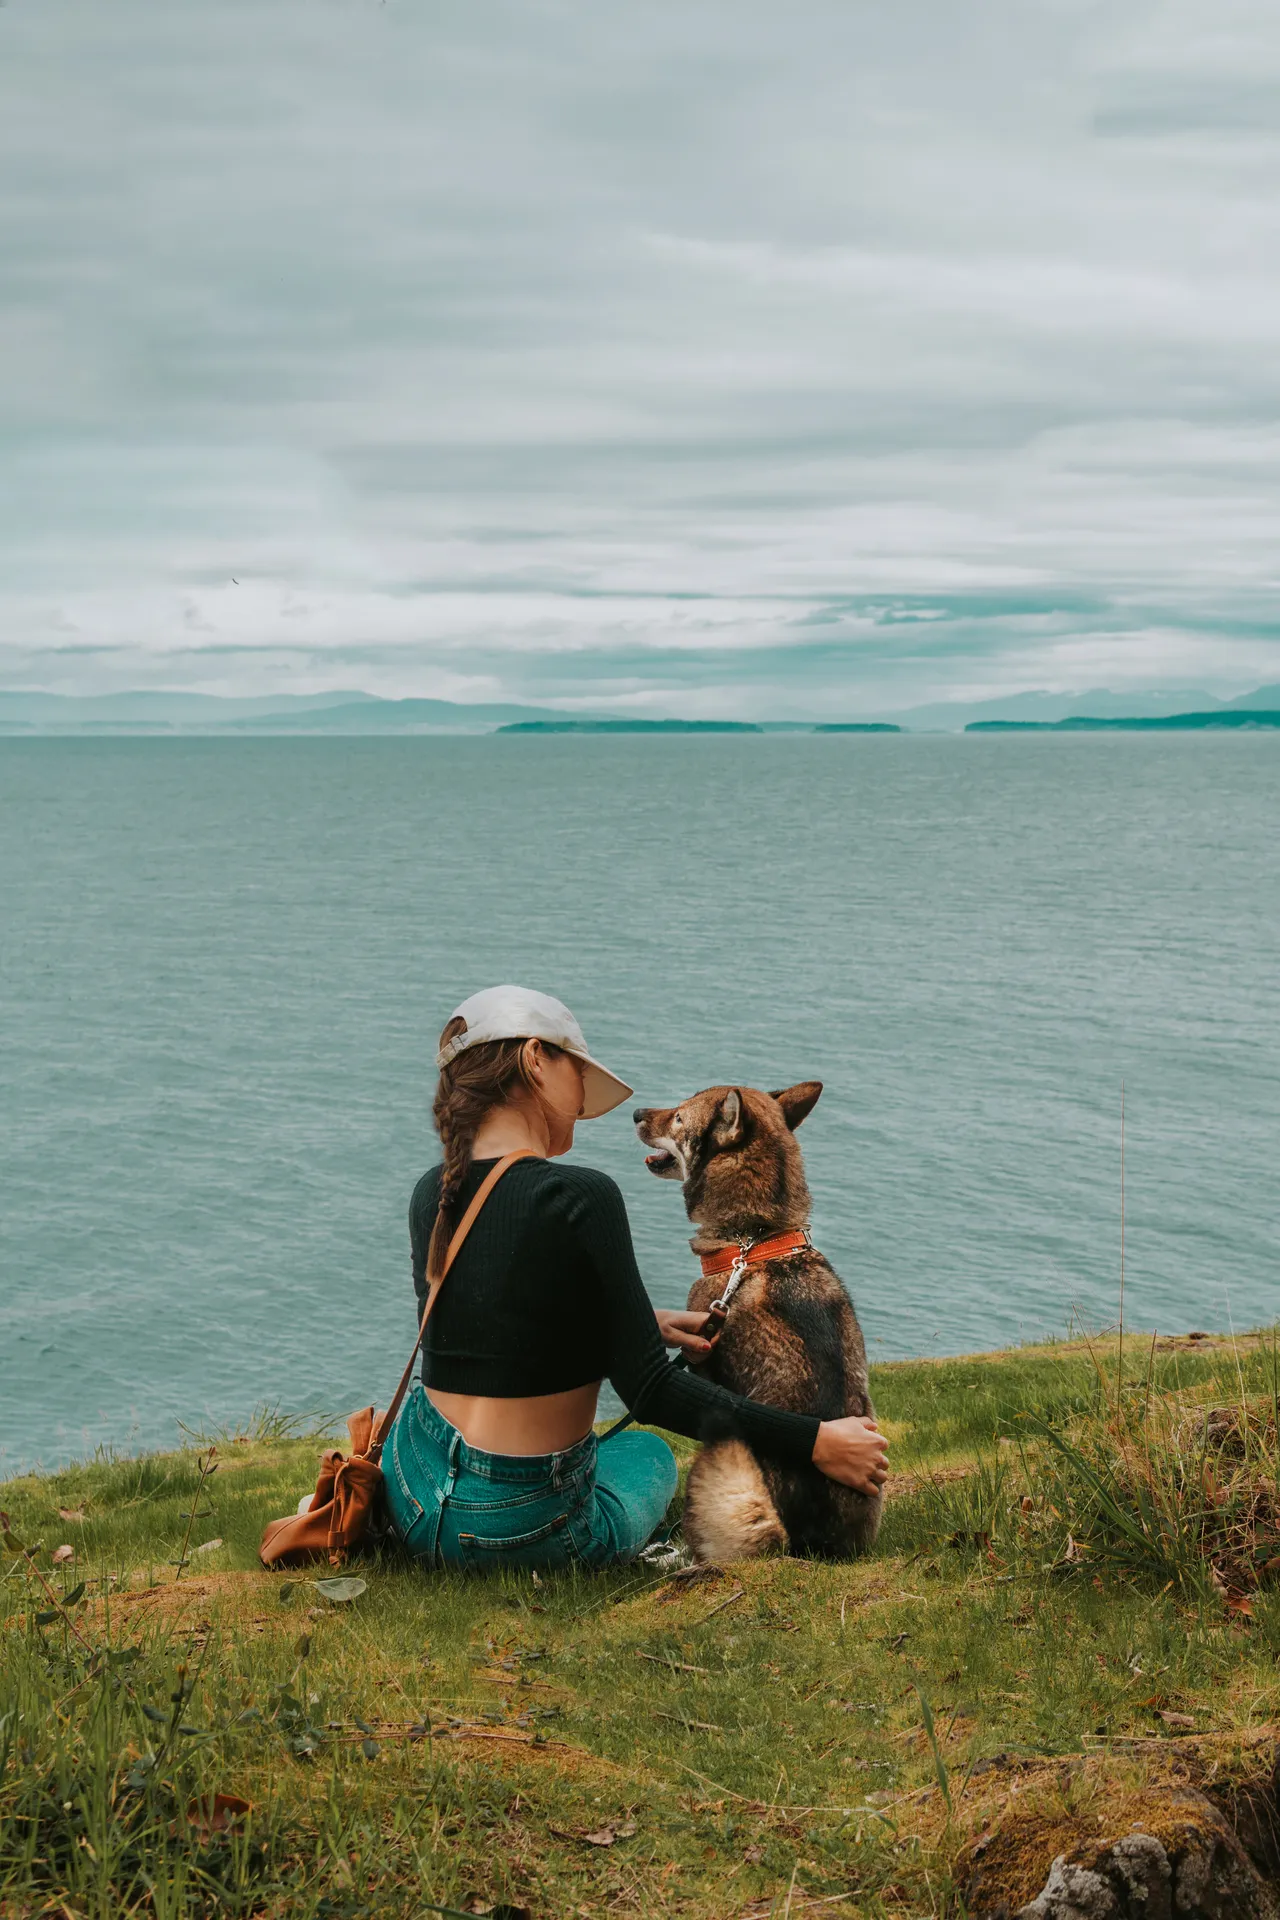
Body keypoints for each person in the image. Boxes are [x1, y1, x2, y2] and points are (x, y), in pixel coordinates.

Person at [384, 985, 890, 1570]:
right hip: (522, 1530)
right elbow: (652, 1392)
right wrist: (817, 1442)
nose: (583, 1095)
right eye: (578, 1071)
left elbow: (481, 1340)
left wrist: (633, 1325)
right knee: (646, 1454)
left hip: (415, 1494)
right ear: (535, 1060)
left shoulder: (433, 1191)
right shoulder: (582, 1195)